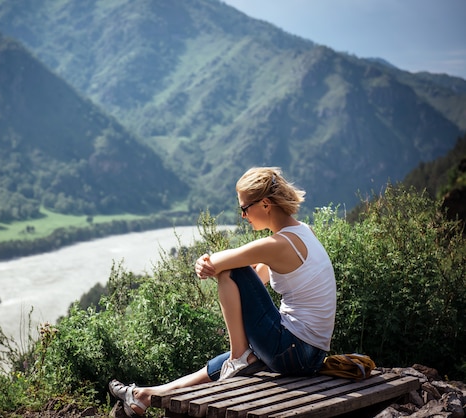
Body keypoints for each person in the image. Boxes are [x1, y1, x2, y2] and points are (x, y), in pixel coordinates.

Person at [109, 167, 337, 417]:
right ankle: (144, 396)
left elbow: (223, 267)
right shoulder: (302, 232)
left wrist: (207, 262)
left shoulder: (280, 244)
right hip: (309, 355)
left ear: (265, 204)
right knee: (225, 361)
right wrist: (222, 268)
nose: (243, 216)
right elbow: (256, 281)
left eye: (244, 208)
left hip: (293, 350)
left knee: (232, 271)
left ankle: (239, 357)